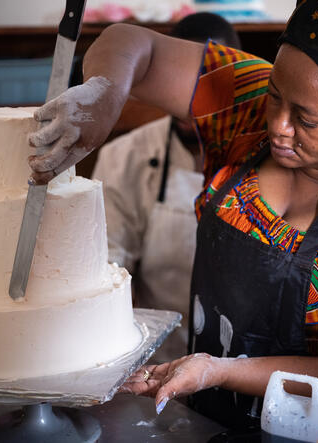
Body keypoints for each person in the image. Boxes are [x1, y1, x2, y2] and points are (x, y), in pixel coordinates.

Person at [26, 1, 318, 441]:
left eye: (306, 120)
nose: (278, 126)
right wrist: (106, 95)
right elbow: (132, 45)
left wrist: (220, 370)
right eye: (275, 97)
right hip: (224, 410)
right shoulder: (245, 104)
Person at [91, 13, 241, 362]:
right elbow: (107, 269)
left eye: (210, 85)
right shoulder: (125, 156)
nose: (194, 99)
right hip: (155, 358)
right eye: (185, 83)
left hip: (240, 365)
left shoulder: (267, 157)